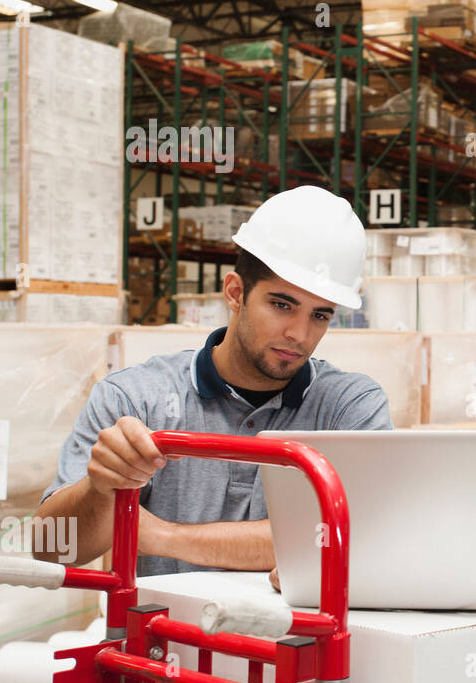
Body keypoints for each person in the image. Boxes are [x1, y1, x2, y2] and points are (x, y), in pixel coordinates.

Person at [36, 185, 393, 575]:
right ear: (236, 292)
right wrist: (98, 489)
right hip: (162, 637)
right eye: (281, 305)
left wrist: (157, 535)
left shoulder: (350, 407)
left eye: (320, 315)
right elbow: (52, 549)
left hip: (291, 638)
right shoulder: (135, 399)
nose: (299, 334)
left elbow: (364, 538)